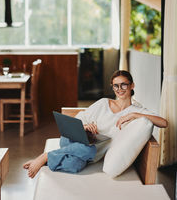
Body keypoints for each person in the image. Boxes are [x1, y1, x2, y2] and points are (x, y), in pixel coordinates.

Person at [23, 70, 168, 178]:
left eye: (124, 85)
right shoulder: (103, 103)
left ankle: (48, 158)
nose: (119, 90)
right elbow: (79, 119)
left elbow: (163, 123)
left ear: (132, 85)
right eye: (116, 86)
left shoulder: (138, 110)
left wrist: (135, 114)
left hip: (89, 152)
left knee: (77, 163)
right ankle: (45, 157)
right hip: (73, 140)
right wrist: (85, 128)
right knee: (81, 146)